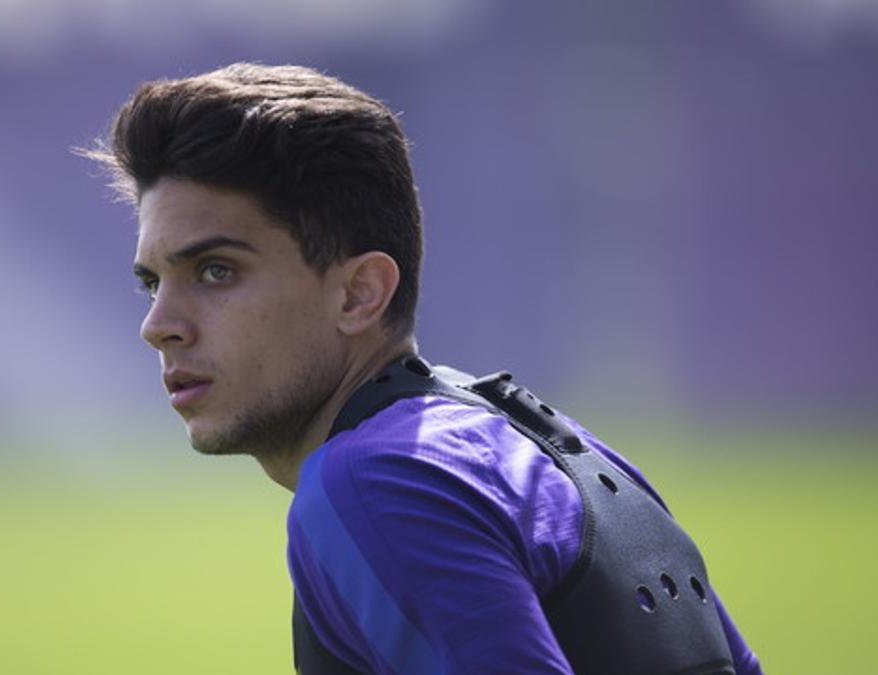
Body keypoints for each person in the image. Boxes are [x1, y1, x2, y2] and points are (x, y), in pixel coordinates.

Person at [84, 63, 762, 674]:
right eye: (152, 282)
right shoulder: (548, 449)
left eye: (215, 270)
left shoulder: (374, 478)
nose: (159, 324)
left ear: (358, 293)